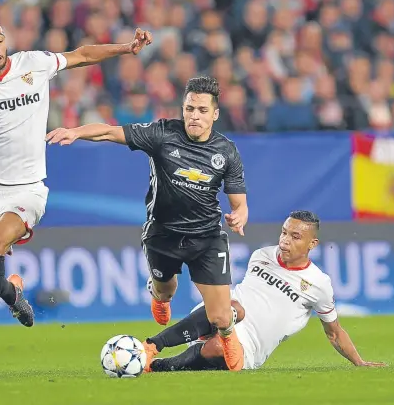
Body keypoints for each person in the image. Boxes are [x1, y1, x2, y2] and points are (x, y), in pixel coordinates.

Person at [0, 19, 153, 373]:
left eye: (0, 39)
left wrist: (125, 47)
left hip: (28, 189)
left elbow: (81, 55)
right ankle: (14, 296)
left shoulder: (33, 63)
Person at [46, 76, 249, 371]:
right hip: (162, 235)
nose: (194, 116)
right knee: (165, 291)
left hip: (206, 238)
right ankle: (158, 294)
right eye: (190, 108)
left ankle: (228, 337)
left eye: (202, 111)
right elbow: (108, 132)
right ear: (183, 108)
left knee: (219, 317)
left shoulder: (227, 151)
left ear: (215, 114)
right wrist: (76, 131)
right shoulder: (162, 133)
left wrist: (239, 215)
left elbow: (239, 204)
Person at [142, 211, 386, 372]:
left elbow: (334, 333)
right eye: (284, 232)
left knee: (218, 347)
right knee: (232, 308)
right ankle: (151, 346)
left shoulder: (318, 283)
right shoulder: (262, 256)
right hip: (220, 317)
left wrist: (359, 362)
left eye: (295, 236)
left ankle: (157, 367)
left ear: (312, 244)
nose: (285, 240)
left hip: (248, 348)